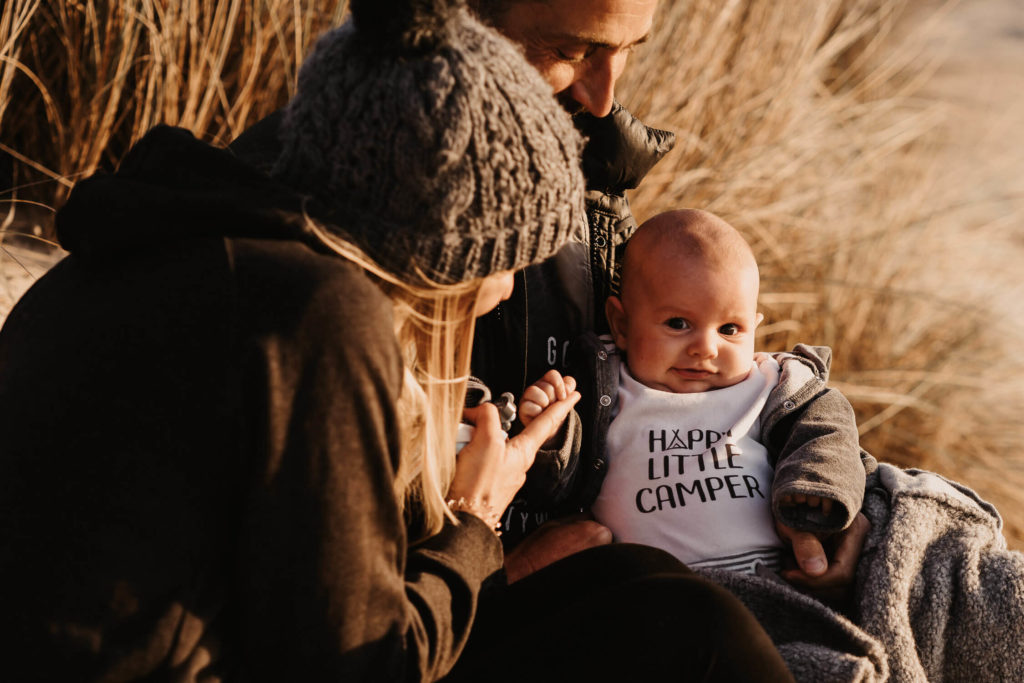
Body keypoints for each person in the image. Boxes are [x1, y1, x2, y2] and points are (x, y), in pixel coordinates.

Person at [0, 1, 797, 681]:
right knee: (694, 634)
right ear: (447, 243)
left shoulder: (199, 247)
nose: (514, 286)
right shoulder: (315, 314)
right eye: (507, 257)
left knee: (650, 592)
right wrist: (475, 524)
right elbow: (358, 665)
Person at [521, 209, 869, 577]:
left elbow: (828, 429)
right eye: (678, 323)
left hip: (767, 579)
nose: (706, 347)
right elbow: (559, 489)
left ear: (755, 328)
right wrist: (554, 435)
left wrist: (815, 488)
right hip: (652, 595)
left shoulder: (769, 385)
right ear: (621, 324)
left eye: (730, 329)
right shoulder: (603, 391)